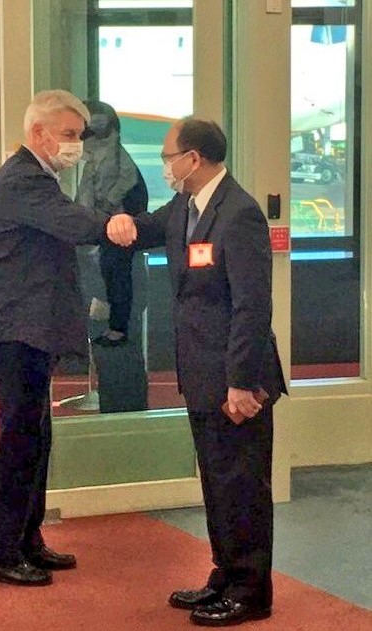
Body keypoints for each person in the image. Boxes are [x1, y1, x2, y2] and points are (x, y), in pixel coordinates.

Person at [106, 118, 287, 626]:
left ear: (195, 158)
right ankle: (226, 575)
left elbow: (252, 306)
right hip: (201, 373)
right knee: (217, 481)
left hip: (236, 378)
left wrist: (242, 380)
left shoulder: (240, 213)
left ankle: (252, 591)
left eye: (169, 156)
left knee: (244, 485)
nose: (165, 165)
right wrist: (121, 225)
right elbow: (149, 228)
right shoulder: (187, 205)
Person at [0, 90, 114, 587]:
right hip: (15, 328)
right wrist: (118, 224)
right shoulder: (24, 180)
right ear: (39, 134)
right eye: (68, 135)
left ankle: (27, 539)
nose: (75, 146)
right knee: (18, 439)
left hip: (29, 326)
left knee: (36, 436)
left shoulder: (36, 177)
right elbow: (74, 224)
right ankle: (1, 551)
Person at [76, 100, 148, 346]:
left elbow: (126, 182)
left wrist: (106, 205)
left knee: (115, 271)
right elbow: (86, 193)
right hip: (100, 226)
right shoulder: (95, 157)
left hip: (116, 227)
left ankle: (117, 326)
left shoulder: (115, 155)